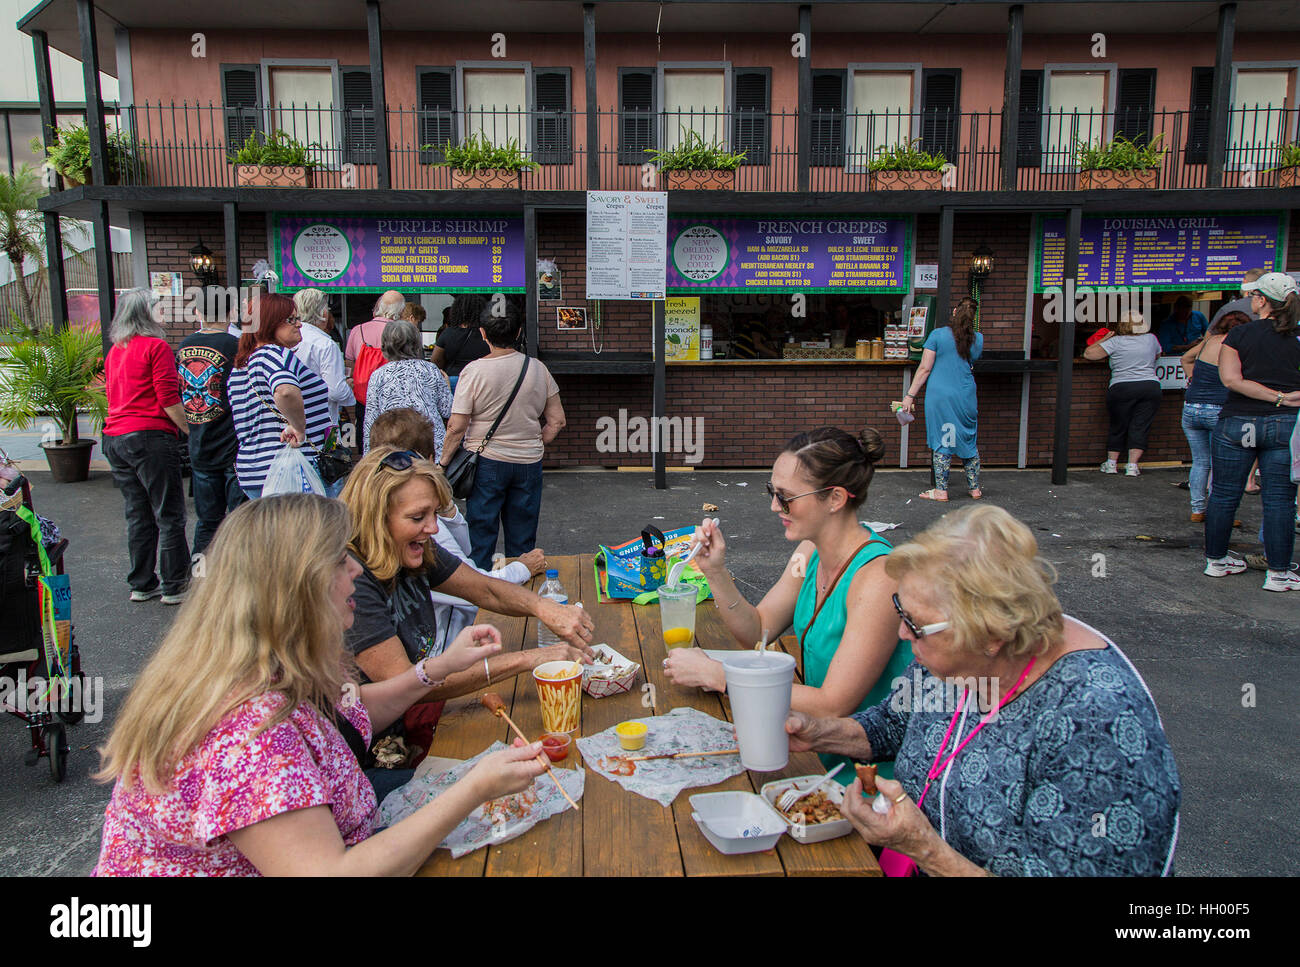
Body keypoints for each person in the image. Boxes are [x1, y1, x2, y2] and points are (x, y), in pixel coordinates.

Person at [93, 494, 550, 876]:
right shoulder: (247, 733)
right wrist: (473, 789)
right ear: (296, 588)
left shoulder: (260, 662)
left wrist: (436, 668)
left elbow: (353, 714)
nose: (355, 568)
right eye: (338, 559)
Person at [785, 504, 1181, 876]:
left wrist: (923, 848)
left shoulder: (1095, 717)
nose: (904, 633)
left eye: (916, 625)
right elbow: (892, 724)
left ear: (990, 635)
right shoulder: (954, 658)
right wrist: (817, 731)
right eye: (899, 611)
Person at [339, 447, 595, 794]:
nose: (432, 528)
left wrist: (543, 607)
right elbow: (409, 686)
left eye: (434, 514)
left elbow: (485, 590)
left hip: (421, 721)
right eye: (418, 517)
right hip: (380, 755)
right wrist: (527, 659)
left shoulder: (411, 548)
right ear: (375, 517)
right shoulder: (350, 582)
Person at [664, 427, 912, 782]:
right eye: (772, 492)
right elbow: (758, 629)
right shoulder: (810, 553)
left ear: (836, 499)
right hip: (813, 751)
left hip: (867, 779)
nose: (774, 506)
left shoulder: (878, 577)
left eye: (786, 497)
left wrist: (720, 675)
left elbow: (832, 704)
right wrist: (715, 572)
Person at [369, 407, 546, 656]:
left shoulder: (419, 526)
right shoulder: (359, 575)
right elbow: (477, 587)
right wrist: (524, 568)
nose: (431, 527)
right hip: (440, 652)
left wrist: (448, 512)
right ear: (428, 460)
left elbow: (463, 561)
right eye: (419, 516)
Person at [440, 301, 565, 569]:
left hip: (485, 463)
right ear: (519, 332)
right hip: (529, 464)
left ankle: (484, 598)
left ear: (483, 333)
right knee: (523, 541)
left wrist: (442, 463)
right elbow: (557, 421)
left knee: (481, 537)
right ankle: (521, 595)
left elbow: (457, 426)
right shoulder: (538, 369)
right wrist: (535, 442)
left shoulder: (473, 371)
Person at [1203, 272, 1300, 592]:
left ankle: (1216, 562)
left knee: (1224, 494)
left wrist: (1274, 396)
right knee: (1280, 502)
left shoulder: (1239, 335)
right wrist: (1284, 399)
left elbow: (1231, 380)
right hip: (1285, 425)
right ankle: (1280, 574)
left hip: (1237, 422)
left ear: (1260, 300)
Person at [101, 289, 190, 605]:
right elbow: (168, 398)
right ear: (144, 313)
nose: (164, 313)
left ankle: (142, 582)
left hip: (115, 437)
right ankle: (175, 584)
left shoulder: (116, 350)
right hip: (150, 436)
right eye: (158, 308)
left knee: (138, 514)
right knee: (169, 513)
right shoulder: (157, 347)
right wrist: (188, 430)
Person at [227, 293, 336, 500]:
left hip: (254, 470)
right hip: (293, 470)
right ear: (270, 322)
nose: (299, 325)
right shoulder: (272, 353)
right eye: (291, 319)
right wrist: (299, 427)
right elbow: (285, 391)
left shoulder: (240, 367)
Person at [176, 286, 245, 557]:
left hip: (199, 441)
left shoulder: (184, 346)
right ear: (231, 313)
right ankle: (237, 583)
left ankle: (200, 580)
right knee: (238, 521)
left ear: (198, 312)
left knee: (207, 522)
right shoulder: (235, 346)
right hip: (232, 444)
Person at [903, 296, 984, 500]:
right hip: (966, 395)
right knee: (968, 439)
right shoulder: (978, 339)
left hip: (940, 395)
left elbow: (924, 369)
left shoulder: (937, 335)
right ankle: (974, 489)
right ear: (972, 318)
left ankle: (941, 490)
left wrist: (910, 396)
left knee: (943, 440)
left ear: (955, 312)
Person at [1179, 311, 1253, 523]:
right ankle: (1219, 513)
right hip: (1219, 409)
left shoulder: (1209, 341)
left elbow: (1186, 358)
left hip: (1191, 407)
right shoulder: (1235, 346)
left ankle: (1197, 510)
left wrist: (1194, 377)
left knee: (1200, 462)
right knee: (1220, 463)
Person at [1084, 308, 1161, 476]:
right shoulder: (1151, 339)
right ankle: (1132, 466)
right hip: (1149, 386)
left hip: (1122, 387)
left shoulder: (1115, 342)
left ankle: (1112, 463)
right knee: (1140, 426)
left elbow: (1089, 354)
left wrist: (1104, 339)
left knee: (1118, 425)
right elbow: (1157, 356)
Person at [361, 320, 454, 457]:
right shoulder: (430, 370)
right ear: (416, 343)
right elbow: (447, 410)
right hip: (429, 447)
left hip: (393, 449)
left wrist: (368, 459)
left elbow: (371, 420)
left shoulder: (378, 375)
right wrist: (447, 387)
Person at [292, 287, 356, 429]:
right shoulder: (325, 344)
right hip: (321, 420)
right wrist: (348, 387)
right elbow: (336, 391)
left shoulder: (287, 339)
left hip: (292, 419)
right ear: (323, 313)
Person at [346, 290, 406, 431]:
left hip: (364, 393)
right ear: (400, 311)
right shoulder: (402, 331)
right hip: (393, 394)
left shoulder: (357, 329)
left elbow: (349, 363)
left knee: (365, 430)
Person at [431, 294, 490, 394]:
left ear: (457, 311)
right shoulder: (488, 334)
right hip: (482, 380)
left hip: (454, 381)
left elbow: (435, 360)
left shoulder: (448, 333)